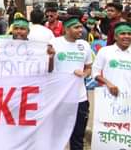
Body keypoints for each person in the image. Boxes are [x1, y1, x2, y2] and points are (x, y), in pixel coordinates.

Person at [50, 17, 92, 150]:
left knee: (78, 137)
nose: (81, 30)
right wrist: (50, 57)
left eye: (81, 27)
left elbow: (89, 67)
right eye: (76, 27)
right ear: (66, 29)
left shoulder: (84, 45)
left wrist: (84, 74)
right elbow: (47, 69)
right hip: (59, 98)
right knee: (57, 136)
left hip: (80, 98)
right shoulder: (54, 43)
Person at [92, 22, 131, 97]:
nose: (127, 36)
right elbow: (95, 73)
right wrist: (108, 83)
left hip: (128, 99)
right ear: (115, 37)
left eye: (129, 34)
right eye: (122, 33)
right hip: (109, 97)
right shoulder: (105, 51)